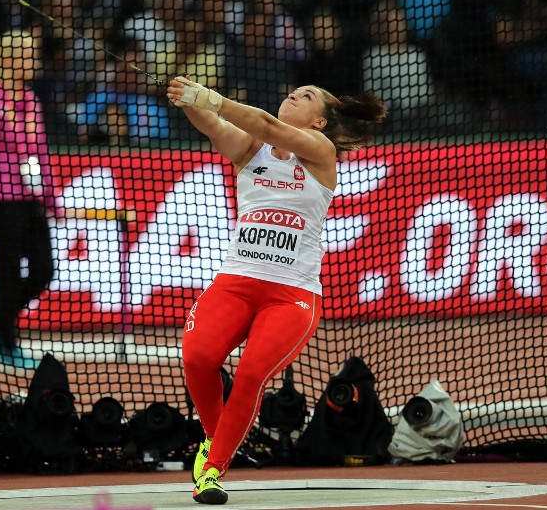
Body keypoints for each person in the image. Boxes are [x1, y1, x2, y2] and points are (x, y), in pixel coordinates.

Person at [165, 76, 386, 504]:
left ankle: (212, 471)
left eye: (306, 97)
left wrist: (210, 97)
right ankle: (216, 437)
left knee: (250, 374)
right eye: (293, 91)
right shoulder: (252, 151)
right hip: (235, 283)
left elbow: (267, 126)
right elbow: (212, 125)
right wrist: (186, 99)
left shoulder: (321, 152)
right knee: (197, 357)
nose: (293, 95)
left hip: (291, 294)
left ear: (319, 121)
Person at [0, 28, 55, 369]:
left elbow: (41, 152)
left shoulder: (30, 100)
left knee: (44, 269)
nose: (34, 60)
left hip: (31, 200)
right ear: (11, 58)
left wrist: (51, 197)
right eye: (28, 54)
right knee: (7, 271)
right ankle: (7, 339)